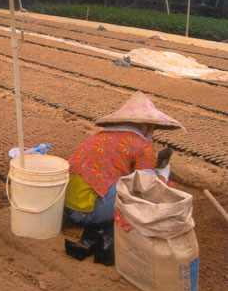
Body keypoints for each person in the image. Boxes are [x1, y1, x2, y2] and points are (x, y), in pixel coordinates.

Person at [64, 91, 185, 230]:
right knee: (140, 181)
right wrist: (162, 175)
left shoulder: (99, 136)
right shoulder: (142, 145)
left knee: (130, 179)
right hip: (88, 214)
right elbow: (149, 186)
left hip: (66, 206)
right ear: (146, 126)